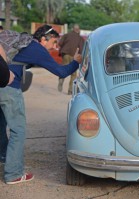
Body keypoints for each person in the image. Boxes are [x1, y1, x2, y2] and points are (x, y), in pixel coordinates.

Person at [0, 24, 82, 185]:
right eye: (54, 41)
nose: (55, 46)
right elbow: (61, 72)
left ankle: (4, 157)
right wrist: (76, 62)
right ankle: (13, 173)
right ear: (44, 39)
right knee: (18, 130)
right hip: (9, 87)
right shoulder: (36, 48)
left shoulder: (22, 42)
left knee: (1, 124)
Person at [57, 24, 85, 95]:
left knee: (63, 69)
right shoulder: (80, 38)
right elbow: (82, 49)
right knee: (73, 74)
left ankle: (61, 80)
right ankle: (70, 90)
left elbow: (60, 43)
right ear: (78, 30)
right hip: (74, 56)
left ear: (73, 29)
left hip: (65, 54)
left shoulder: (66, 35)